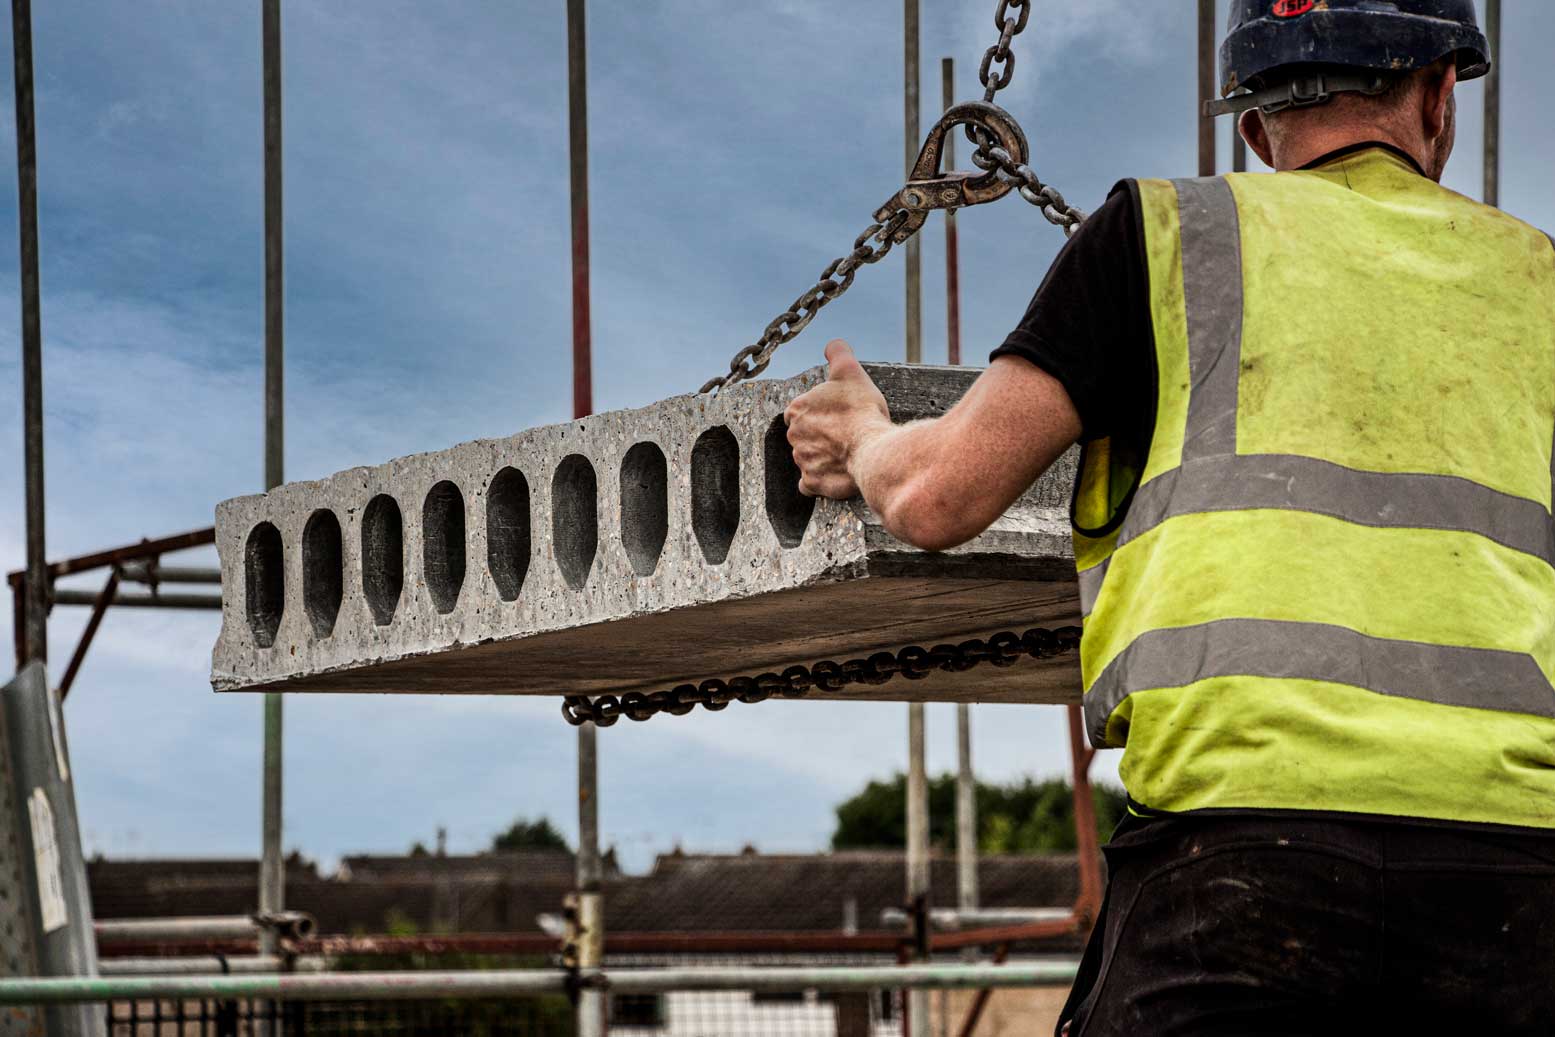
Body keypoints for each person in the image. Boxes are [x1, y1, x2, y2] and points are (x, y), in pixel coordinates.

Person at [785, 1, 1555, 1033]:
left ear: (1252, 126)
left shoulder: (1165, 237)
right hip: (1517, 886)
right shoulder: (1539, 283)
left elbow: (935, 498)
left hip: (1240, 865)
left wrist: (862, 436)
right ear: (1436, 94)